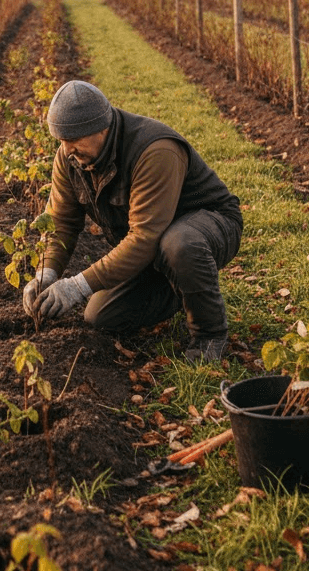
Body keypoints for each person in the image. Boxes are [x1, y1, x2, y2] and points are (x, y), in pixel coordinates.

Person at [22, 80, 243, 362]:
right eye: (61, 140)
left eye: (74, 139)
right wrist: (46, 273)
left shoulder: (154, 150)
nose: (67, 149)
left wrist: (78, 285)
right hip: (153, 245)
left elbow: (144, 237)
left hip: (209, 225)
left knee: (179, 244)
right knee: (100, 316)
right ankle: (182, 286)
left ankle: (209, 334)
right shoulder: (70, 158)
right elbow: (61, 222)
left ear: (103, 127)